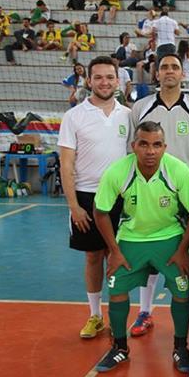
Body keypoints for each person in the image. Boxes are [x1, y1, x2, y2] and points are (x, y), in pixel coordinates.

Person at [93, 121, 189, 373]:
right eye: (144, 144)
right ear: (134, 146)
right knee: (117, 289)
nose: (150, 151)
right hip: (131, 240)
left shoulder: (178, 171)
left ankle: (180, 348)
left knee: (181, 291)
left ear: (165, 147)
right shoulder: (117, 171)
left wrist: (182, 249)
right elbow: (100, 212)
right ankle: (119, 348)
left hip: (170, 239)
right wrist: (114, 251)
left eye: (156, 145)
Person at [129, 52, 189, 337]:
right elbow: (133, 149)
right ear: (156, 73)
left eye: (175, 67)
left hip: (188, 194)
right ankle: (144, 311)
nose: (169, 71)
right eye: (164, 67)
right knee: (149, 253)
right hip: (150, 192)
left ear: (183, 73)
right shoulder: (140, 108)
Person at [57, 56, 131, 340]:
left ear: (118, 80)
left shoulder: (127, 114)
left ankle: (119, 315)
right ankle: (95, 315)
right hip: (87, 196)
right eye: (98, 77)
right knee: (92, 256)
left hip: (122, 197)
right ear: (89, 80)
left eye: (109, 77)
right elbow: (66, 164)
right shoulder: (74, 116)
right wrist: (73, 205)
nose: (104, 82)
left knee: (120, 256)